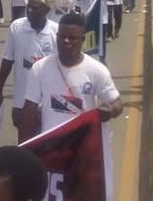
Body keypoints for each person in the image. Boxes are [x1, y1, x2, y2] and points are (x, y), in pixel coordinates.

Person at [19, 13, 123, 142]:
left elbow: (117, 103)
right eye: (62, 37)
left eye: (72, 38)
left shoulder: (97, 70)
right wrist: (22, 152)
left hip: (83, 146)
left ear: (83, 39)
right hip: (52, 146)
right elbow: (28, 112)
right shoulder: (39, 68)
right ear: (56, 37)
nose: (66, 41)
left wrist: (111, 110)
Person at [0, 0, 59, 140]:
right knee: (24, 146)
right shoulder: (16, 27)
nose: (29, 11)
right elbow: (7, 60)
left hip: (49, 102)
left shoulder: (56, 31)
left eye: (35, 8)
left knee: (47, 146)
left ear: (46, 11)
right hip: (22, 101)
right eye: (29, 7)